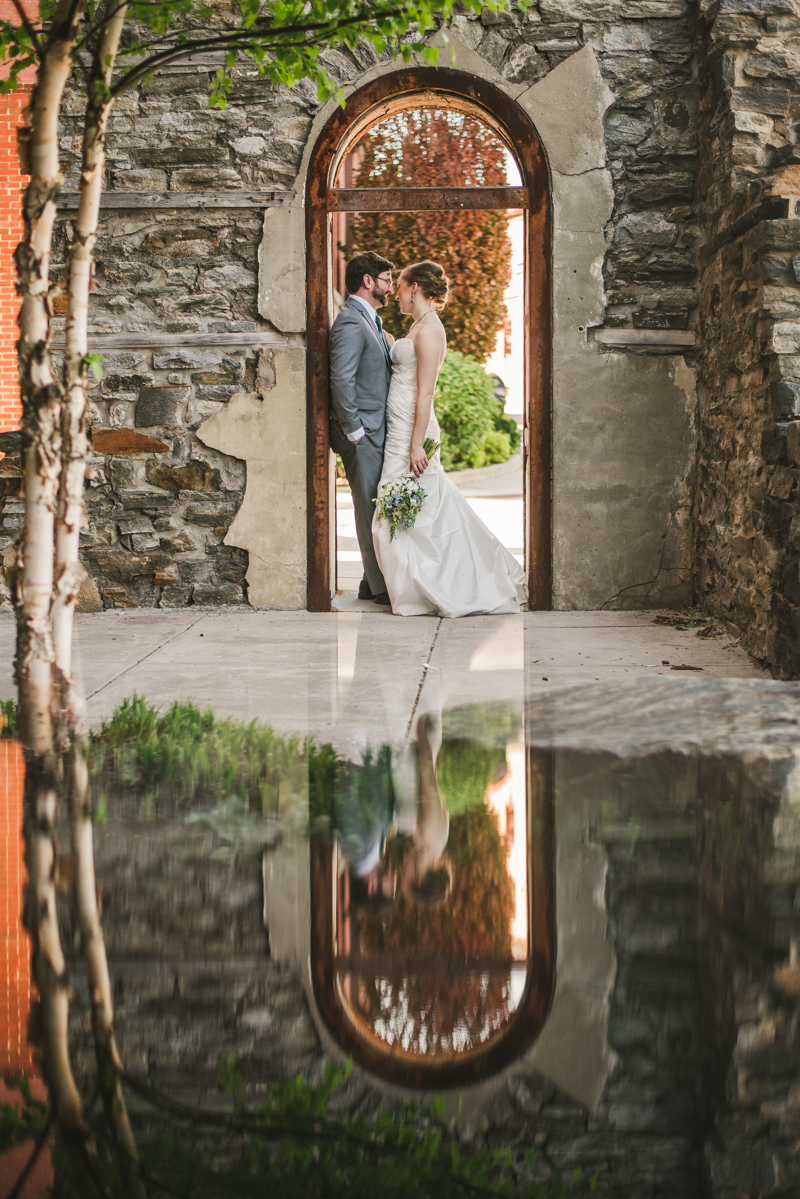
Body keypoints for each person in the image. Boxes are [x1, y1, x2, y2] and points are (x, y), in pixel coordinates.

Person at [371, 260, 527, 617]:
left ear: (414, 289)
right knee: (412, 510)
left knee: (408, 510)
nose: (395, 293)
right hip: (399, 426)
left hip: (413, 431)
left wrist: (415, 446)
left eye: (401, 287)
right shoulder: (419, 326)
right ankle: (417, 587)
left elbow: (425, 394)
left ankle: (442, 586)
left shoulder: (431, 330)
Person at [329, 250, 395, 605]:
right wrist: (353, 429)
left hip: (374, 429)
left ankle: (371, 584)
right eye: (386, 280)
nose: (390, 287)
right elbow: (341, 376)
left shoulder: (368, 318)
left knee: (375, 505)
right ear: (368, 281)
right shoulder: (352, 321)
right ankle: (381, 588)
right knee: (368, 508)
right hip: (362, 433)